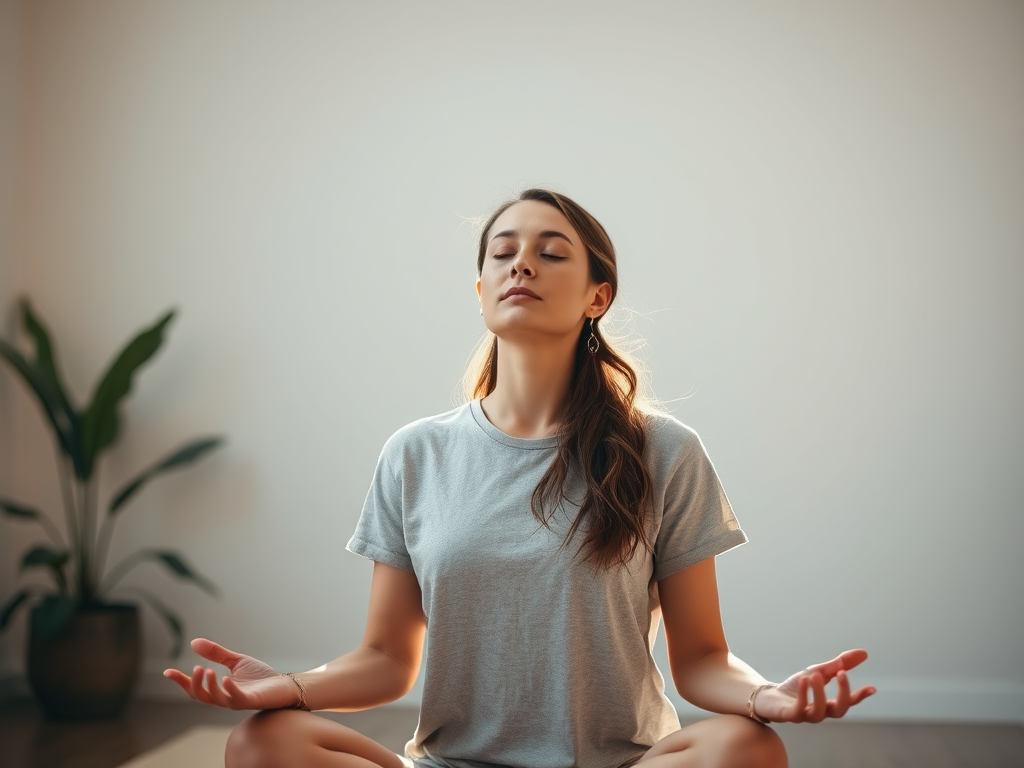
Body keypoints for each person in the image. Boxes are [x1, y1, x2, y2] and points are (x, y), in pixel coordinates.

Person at [165, 188, 875, 768]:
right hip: (452, 766)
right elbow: (385, 660)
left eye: (550, 252)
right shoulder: (414, 455)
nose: (521, 265)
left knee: (747, 747)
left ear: (598, 297)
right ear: (482, 292)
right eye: (503, 253)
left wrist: (764, 698)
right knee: (263, 742)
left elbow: (703, 661)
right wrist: (290, 687)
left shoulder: (665, 451)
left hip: (616, 765)